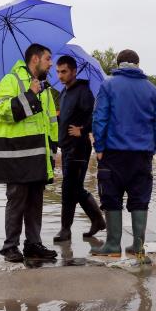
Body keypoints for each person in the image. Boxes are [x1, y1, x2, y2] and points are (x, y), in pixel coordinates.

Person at [91, 49, 156, 257]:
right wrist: (152, 147)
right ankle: (137, 246)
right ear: (138, 64)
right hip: (142, 155)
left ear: (118, 63)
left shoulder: (108, 85)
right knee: (140, 197)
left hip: (113, 153)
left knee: (112, 197)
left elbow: (100, 119)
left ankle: (113, 246)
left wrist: (99, 148)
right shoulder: (152, 90)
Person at [0, 43, 59, 262]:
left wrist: (53, 152)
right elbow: (2, 112)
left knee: (35, 203)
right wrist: (30, 94)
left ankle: (33, 244)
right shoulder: (10, 80)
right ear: (35, 60)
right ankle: (10, 246)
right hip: (17, 156)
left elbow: (50, 123)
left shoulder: (45, 88)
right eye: (48, 59)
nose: (51, 64)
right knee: (17, 202)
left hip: (38, 157)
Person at [52, 55, 106, 242]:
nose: (60, 76)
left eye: (64, 71)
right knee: (73, 188)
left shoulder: (83, 91)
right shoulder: (64, 92)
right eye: (58, 72)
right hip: (67, 147)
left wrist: (82, 130)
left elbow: (95, 115)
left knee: (69, 189)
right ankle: (97, 220)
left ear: (74, 72)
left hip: (79, 148)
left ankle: (66, 230)